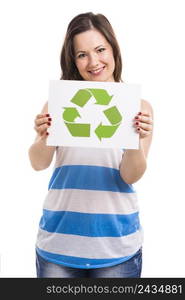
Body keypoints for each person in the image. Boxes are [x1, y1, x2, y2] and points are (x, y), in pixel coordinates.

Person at [28, 12, 153, 278]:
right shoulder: (59, 103)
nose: (94, 61)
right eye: (82, 54)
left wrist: (135, 140)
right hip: (58, 244)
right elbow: (38, 163)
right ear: (72, 60)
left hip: (116, 247)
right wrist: (43, 136)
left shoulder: (139, 108)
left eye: (100, 49)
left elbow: (130, 175)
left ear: (113, 49)